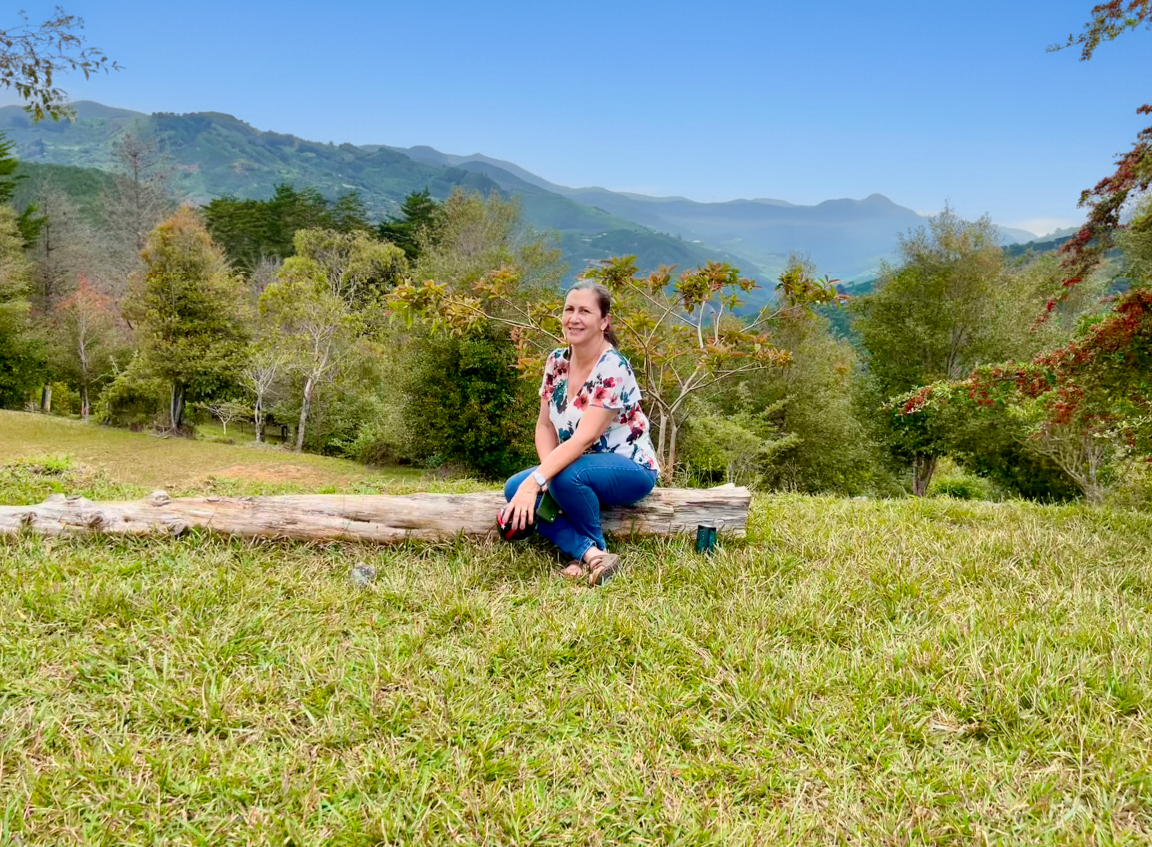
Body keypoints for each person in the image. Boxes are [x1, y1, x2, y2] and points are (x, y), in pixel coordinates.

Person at [503, 280, 660, 586]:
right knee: (514, 488)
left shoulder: (613, 367)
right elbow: (545, 425)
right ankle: (590, 554)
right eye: (569, 309)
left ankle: (595, 550)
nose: (574, 318)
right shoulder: (557, 362)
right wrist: (540, 479)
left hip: (628, 466)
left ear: (604, 321)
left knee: (560, 477)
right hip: (576, 466)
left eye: (585, 311)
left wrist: (541, 478)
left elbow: (584, 438)